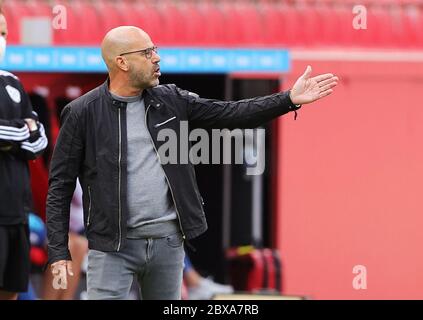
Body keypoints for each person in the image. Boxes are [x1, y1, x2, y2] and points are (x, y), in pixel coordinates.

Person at [46, 26, 338, 300]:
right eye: (147, 52)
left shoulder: (171, 99)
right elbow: (60, 186)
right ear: (122, 62)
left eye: (155, 50)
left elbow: (230, 114)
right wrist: (59, 252)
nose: (156, 57)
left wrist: (288, 99)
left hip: (168, 246)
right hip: (111, 249)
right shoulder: (82, 112)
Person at [0, 11, 48, 300]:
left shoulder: (12, 83)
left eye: (4, 33)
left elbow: (38, 140)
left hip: (17, 212)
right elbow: (27, 133)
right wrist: (23, 130)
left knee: (11, 291)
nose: (2, 40)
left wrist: (14, 136)